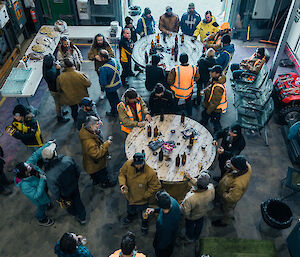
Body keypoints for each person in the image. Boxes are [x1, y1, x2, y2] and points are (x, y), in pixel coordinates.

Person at [39, 142, 87, 224]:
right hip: (74, 186)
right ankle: (82, 218)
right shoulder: (67, 159)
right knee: (78, 200)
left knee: (69, 205)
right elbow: (78, 170)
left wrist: (58, 198)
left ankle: (74, 213)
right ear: (54, 153)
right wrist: (75, 180)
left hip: (64, 193)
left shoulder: (49, 174)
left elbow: (54, 190)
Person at [119, 152, 161, 234]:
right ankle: (130, 216)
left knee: (144, 214)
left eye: (140, 164)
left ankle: (144, 225)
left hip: (142, 200)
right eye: (136, 164)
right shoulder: (128, 164)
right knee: (130, 208)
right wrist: (122, 184)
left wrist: (146, 195)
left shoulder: (150, 173)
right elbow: (122, 173)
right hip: (130, 196)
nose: (139, 166)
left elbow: (156, 186)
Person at [14, 143, 54, 226]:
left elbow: (35, 155)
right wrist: (42, 180)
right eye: (27, 167)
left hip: (42, 189)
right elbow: (36, 195)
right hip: (40, 200)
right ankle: (41, 219)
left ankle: (47, 204)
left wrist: (47, 144)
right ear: (25, 173)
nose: (29, 165)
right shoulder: (25, 186)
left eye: (27, 164)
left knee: (46, 196)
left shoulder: (28, 165)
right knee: (41, 208)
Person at [212, 155, 252, 227]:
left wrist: (223, 193)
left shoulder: (238, 184)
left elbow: (231, 199)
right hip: (226, 186)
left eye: (231, 164)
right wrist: (229, 167)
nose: (229, 163)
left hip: (228, 200)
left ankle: (225, 222)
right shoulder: (246, 166)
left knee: (228, 210)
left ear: (237, 169)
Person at [79, 116, 115, 188]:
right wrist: (106, 144)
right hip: (96, 165)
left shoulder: (85, 131)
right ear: (91, 126)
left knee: (95, 176)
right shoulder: (89, 143)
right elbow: (97, 154)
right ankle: (105, 184)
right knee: (103, 175)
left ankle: (96, 181)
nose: (99, 125)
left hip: (90, 165)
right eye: (97, 124)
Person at [181, 172, 215, 242]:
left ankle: (190, 237)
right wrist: (190, 178)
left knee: (190, 225)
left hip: (192, 216)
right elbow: (211, 197)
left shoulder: (190, 198)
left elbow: (185, 212)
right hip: (203, 212)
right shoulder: (211, 188)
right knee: (199, 223)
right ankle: (197, 235)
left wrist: (188, 216)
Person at [146, 191, 181, 257]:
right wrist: (154, 210)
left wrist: (158, 247)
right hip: (173, 232)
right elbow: (164, 207)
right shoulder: (173, 201)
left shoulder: (163, 223)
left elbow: (164, 240)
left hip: (164, 243)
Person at [56, 58, 91, 123]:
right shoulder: (80, 74)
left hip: (70, 99)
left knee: (74, 110)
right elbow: (88, 84)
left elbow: (58, 89)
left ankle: (76, 121)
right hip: (82, 97)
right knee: (84, 108)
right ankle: (85, 119)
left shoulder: (60, 77)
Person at [42, 54, 69, 123]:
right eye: (53, 61)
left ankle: (62, 112)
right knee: (58, 104)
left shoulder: (46, 67)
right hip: (55, 89)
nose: (54, 62)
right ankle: (59, 117)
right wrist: (58, 69)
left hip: (53, 88)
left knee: (60, 102)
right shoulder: (49, 72)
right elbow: (57, 79)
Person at [201, 65, 227, 132]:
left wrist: (208, 111)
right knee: (205, 115)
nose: (210, 73)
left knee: (215, 123)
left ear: (217, 74)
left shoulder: (218, 88)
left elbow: (214, 102)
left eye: (212, 72)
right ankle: (204, 122)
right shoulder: (214, 80)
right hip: (210, 105)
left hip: (215, 109)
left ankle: (218, 134)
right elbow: (211, 87)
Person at [88, 34, 114, 100]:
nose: (100, 42)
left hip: (107, 66)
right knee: (101, 81)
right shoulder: (93, 47)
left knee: (109, 79)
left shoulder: (107, 46)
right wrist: (95, 57)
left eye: (101, 40)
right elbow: (89, 56)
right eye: (98, 40)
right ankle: (102, 91)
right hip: (99, 67)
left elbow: (112, 55)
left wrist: (105, 57)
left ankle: (109, 91)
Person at [98, 49, 122, 116]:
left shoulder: (103, 69)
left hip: (110, 87)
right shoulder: (115, 60)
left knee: (111, 100)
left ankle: (114, 112)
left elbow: (103, 82)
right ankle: (120, 109)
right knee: (116, 97)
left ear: (103, 58)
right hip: (117, 83)